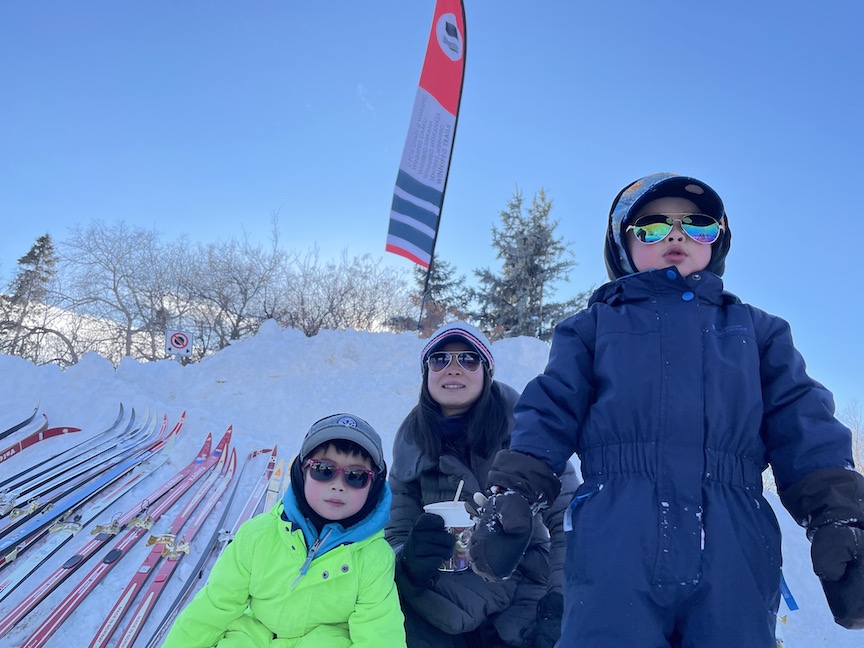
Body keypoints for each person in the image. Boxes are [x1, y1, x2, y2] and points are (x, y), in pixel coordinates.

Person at [467, 173, 864, 646]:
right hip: (617, 536)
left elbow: (805, 424)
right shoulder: (592, 329)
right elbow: (549, 409)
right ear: (622, 246)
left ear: (718, 241)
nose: (676, 234)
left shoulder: (757, 333)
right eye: (653, 227)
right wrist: (514, 491)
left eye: (698, 225)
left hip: (733, 542)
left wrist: (838, 515)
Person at [386, 321, 579, 648]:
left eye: (468, 359)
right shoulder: (411, 442)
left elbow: (569, 519)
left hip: (523, 587)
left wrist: (561, 601)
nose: (453, 369)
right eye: (439, 360)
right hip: (441, 591)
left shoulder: (527, 434)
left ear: (486, 371)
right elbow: (395, 531)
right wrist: (408, 561)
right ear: (426, 373)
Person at [163, 413, 407, 648]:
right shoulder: (257, 536)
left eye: (355, 476)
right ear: (302, 473)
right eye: (324, 470)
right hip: (250, 638)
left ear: (373, 486)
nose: (338, 486)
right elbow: (213, 607)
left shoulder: (374, 559)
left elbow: (380, 635)